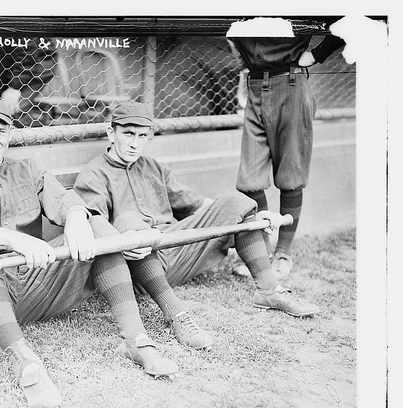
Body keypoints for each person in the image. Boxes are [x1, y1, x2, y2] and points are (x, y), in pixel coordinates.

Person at [0, 97, 187, 408]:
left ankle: (136, 340)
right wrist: (12, 239)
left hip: (32, 287)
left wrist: (77, 218)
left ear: (10, 133)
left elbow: (67, 201)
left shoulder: (27, 169)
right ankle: (24, 361)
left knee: (97, 226)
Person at [73, 101, 321, 327]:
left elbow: (202, 205)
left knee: (235, 202)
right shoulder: (94, 174)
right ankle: (175, 314)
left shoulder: (153, 167)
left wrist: (255, 218)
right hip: (138, 264)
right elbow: (95, 229)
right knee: (128, 221)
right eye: (128, 133)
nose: (135, 143)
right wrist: (129, 239)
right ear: (110, 133)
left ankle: (269, 291)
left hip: (175, 249)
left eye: (142, 135)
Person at [229, 27, 346, 279]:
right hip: (255, 84)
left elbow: (350, 18)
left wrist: (318, 53)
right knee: (249, 181)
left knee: (291, 177)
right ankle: (262, 256)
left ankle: (283, 255)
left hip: (290, 82)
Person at [0, 38, 56, 127]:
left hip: (34, 64)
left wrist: (15, 86)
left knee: (12, 110)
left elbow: (28, 49)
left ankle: (28, 137)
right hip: (4, 61)